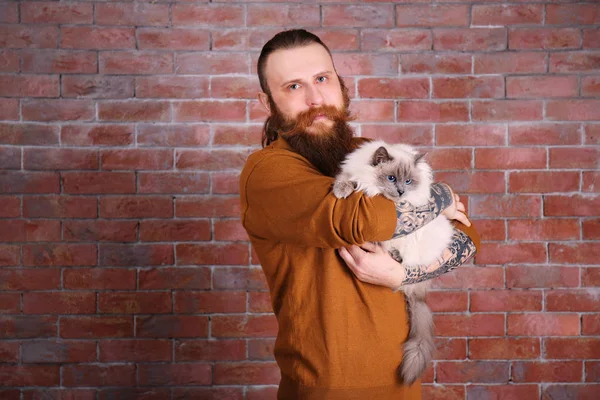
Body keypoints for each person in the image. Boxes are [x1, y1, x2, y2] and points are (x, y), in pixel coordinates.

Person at [239, 29, 480, 400]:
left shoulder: (370, 150)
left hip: (403, 381)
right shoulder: (267, 171)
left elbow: (467, 234)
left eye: (322, 79)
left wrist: (404, 274)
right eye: (293, 87)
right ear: (266, 101)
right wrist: (442, 194)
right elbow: (358, 221)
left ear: (340, 83)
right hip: (328, 388)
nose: (315, 98)